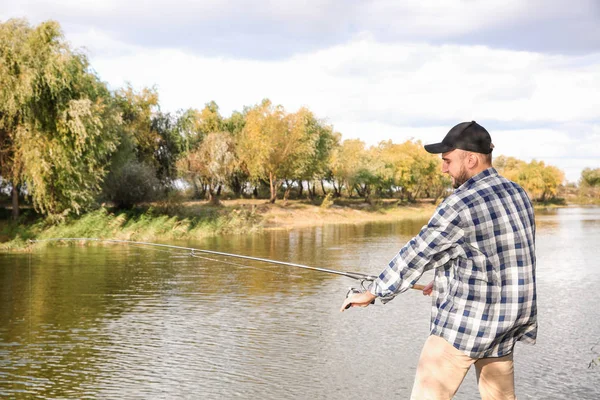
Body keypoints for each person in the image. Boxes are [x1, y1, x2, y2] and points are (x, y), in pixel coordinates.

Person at [340, 121, 537, 400]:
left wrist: (372, 292)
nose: (443, 168)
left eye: (447, 160)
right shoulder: (517, 193)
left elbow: (417, 252)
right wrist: (446, 278)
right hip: (505, 325)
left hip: (465, 325)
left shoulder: (461, 202)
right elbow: (502, 255)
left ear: (471, 159)